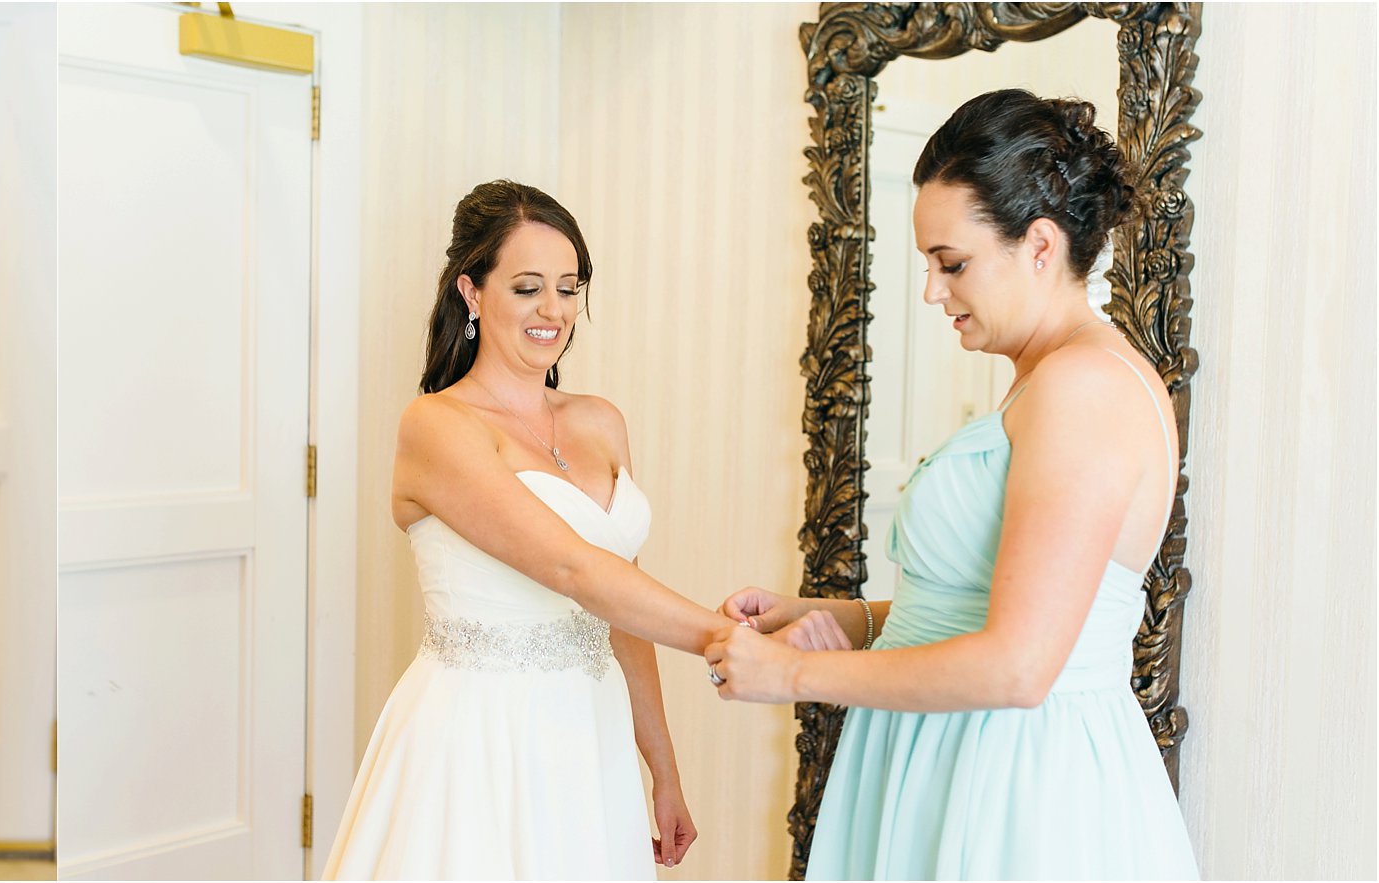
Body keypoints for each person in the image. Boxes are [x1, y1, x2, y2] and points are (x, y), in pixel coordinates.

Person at [705, 90, 1200, 879]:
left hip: (1013, 781)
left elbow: (1019, 663)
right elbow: (994, 601)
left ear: (1040, 244)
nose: (934, 292)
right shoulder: (1046, 379)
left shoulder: (1083, 390)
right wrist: (843, 617)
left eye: (952, 263)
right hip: (960, 754)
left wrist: (791, 675)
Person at [324, 180, 848, 880]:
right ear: (472, 293)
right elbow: (574, 569)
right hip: (481, 736)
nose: (553, 309)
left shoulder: (600, 422)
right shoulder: (437, 427)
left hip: (588, 733)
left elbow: (618, 604)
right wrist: (724, 635)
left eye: (569, 288)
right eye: (528, 287)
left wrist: (662, 770)